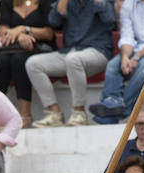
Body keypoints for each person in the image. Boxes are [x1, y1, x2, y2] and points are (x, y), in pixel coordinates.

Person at [87, 0, 144, 123]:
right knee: (112, 65)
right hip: (136, 48)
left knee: (143, 66)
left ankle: (119, 112)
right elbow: (126, 36)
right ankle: (112, 101)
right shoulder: (128, 4)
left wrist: (136, 57)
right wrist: (125, 57)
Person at [26, 0, 114, 129]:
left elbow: (110, 21)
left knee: (73, 59)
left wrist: (99, 3)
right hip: (70, 52)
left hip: (98, 50)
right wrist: (61, 4)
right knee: (33, 63)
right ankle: (54, 113)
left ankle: (79, 113)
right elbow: (53, 22)